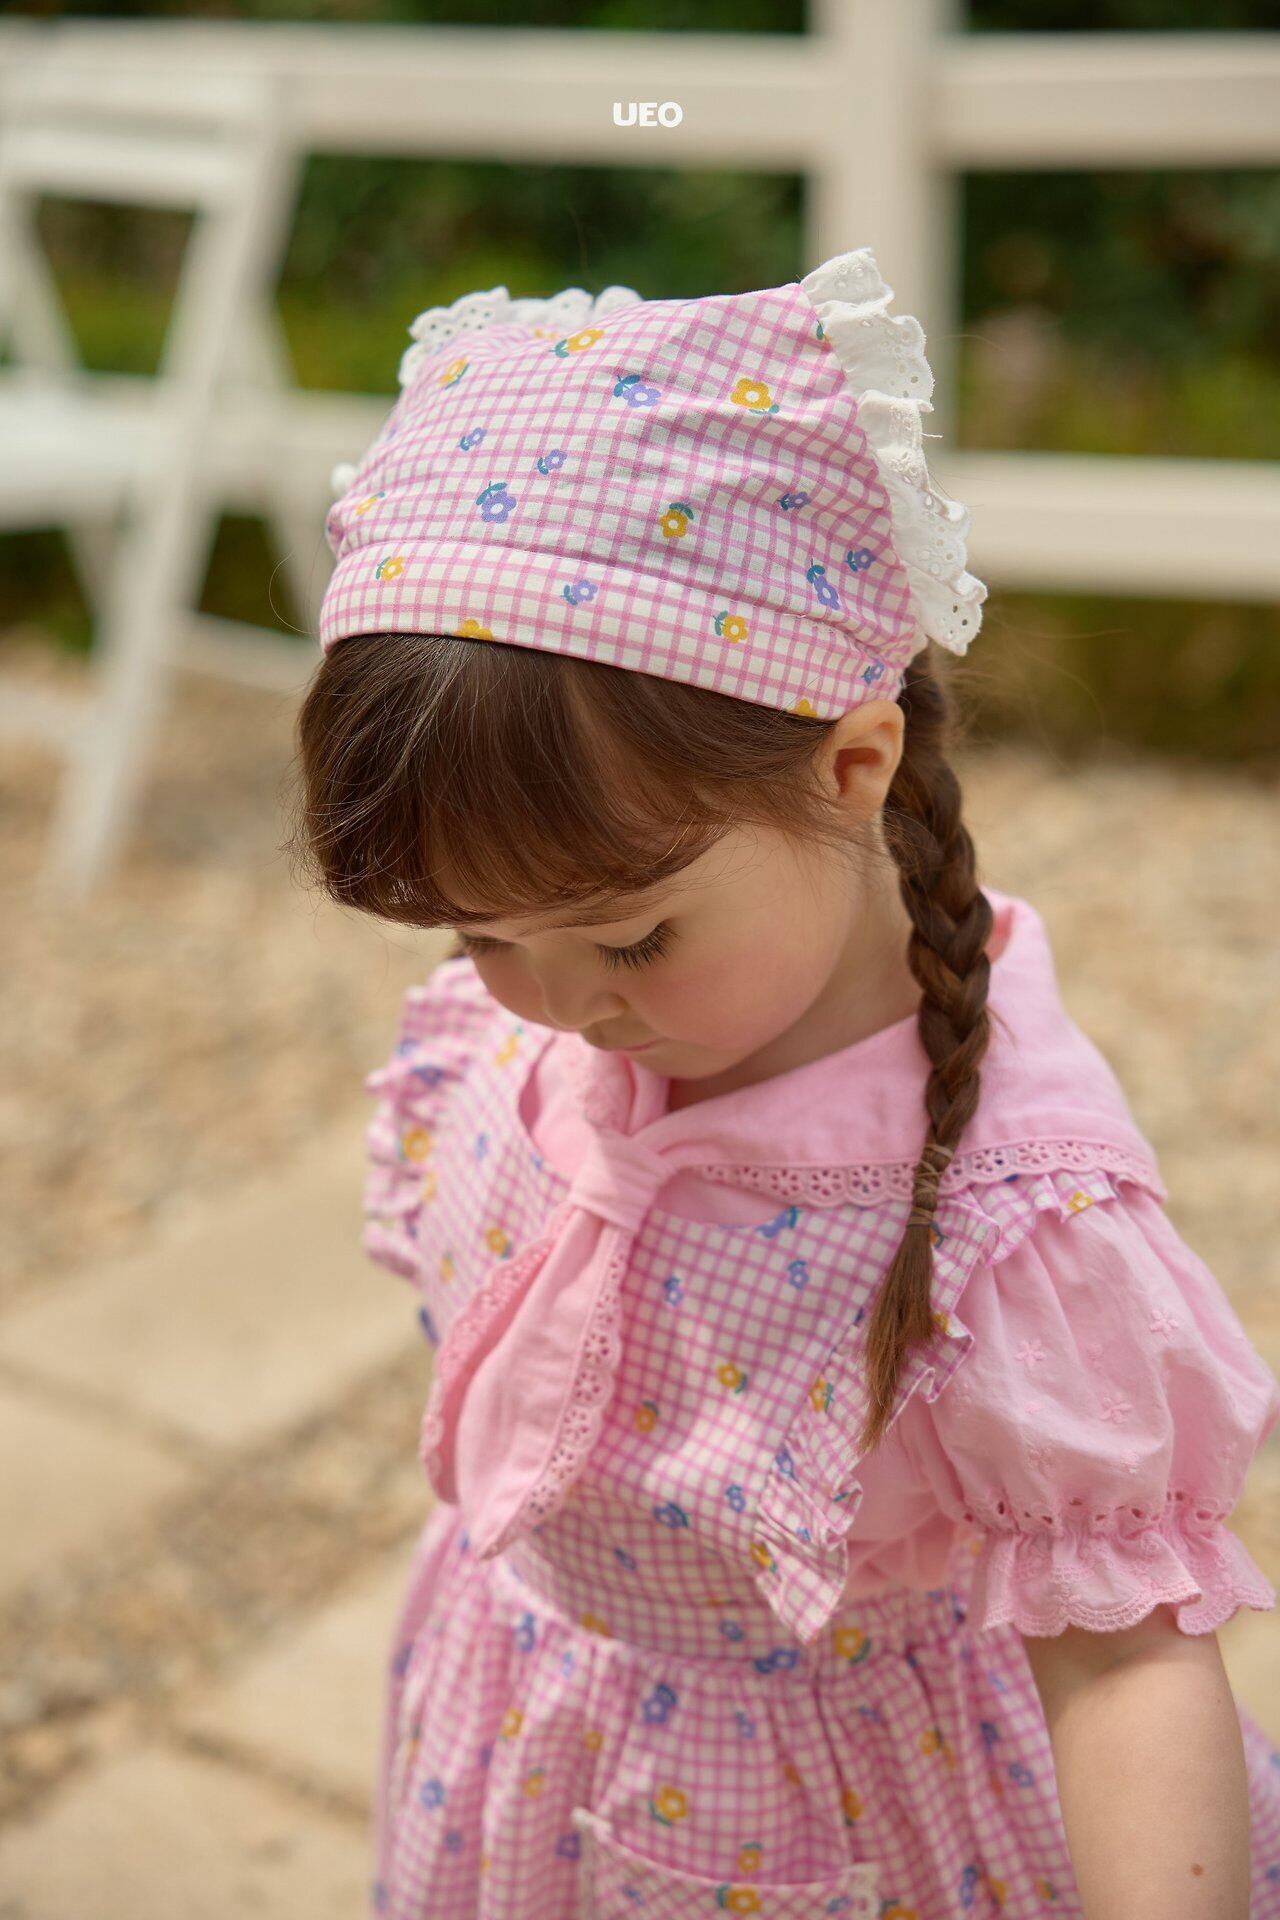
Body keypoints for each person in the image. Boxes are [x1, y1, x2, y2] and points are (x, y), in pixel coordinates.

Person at [291, 247, 1280, 1919]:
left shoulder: (1003, 1225)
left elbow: (1124, 1662)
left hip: (850, 1829)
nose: (555, 1006)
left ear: (853, 763)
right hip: (535, 1741)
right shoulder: (530, 1023)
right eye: (482, 935)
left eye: (631, 936)